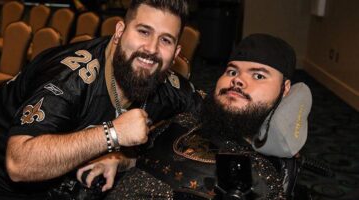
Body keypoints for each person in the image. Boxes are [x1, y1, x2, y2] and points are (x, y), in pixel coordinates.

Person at [0, 0, 203, 199]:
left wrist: (125, 157)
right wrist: (113, 134)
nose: (152, 49)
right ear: (119, 32)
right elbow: (19, 164)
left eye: (165, 40)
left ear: (176, 53)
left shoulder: (170, 88)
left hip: (59, 185)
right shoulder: (71, 78)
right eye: (143, 32)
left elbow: (209, 119)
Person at [77, 34, 312, 199]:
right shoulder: (184, 121)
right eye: (232, 71)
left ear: (285, 89)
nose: (237, 80)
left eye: (259, 76)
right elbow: (143, 155)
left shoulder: (263, 174)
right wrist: (119, 160)